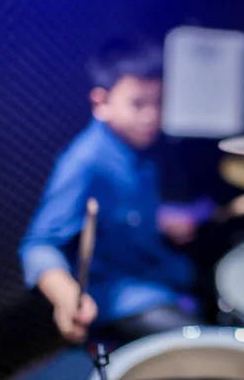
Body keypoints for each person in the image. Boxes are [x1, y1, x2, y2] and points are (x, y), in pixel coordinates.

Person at [18, 37, 216, 346]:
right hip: (115, 290)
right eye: (138, 104)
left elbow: (126, 210)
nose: (152, 116)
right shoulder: (84, 162)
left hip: (153, 268)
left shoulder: (137, 144)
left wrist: (160, 218)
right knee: (197, 341)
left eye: (159, 102)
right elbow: (38, 244)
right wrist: (65, 295)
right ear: (101, 104)